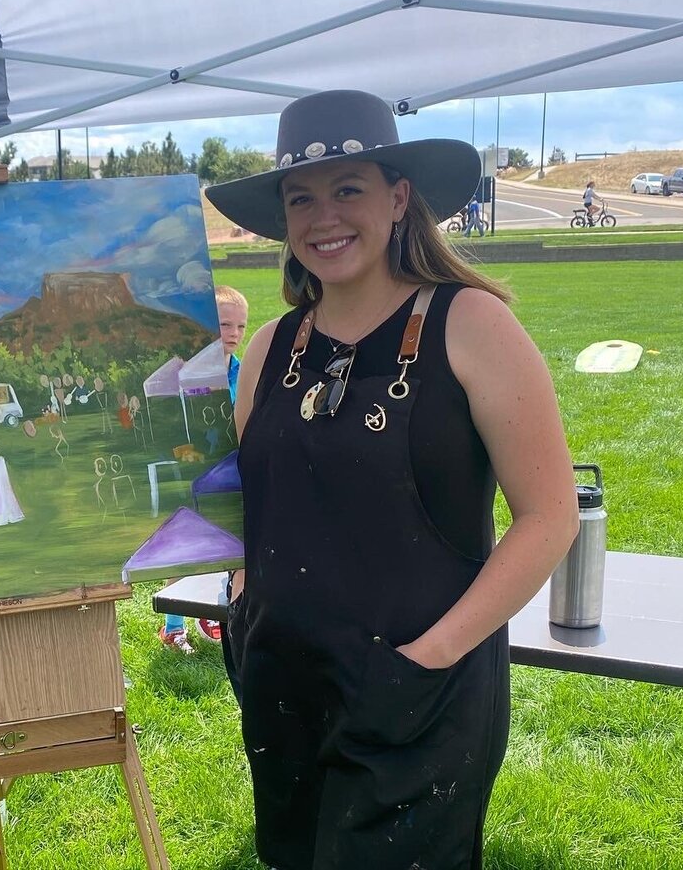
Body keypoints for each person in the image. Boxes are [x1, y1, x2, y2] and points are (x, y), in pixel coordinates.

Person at [205, 89, 578, 869]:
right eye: (301, 198)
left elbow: (550, 514)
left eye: (349, 190)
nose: (323, 217)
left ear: (399, 196)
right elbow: (254, 501)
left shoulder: (471, 325)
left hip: (418, 697)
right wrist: (244, 604)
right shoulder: (270, 348)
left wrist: (435, 654)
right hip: (284, 687)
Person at [157, 284, 250, 654]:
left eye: (240, 327)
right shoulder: (190, 375)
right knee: (189, 548)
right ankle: (173, 626)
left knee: (229, 547)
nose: (233, 334)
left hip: (232, 476)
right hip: (195, 473)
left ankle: (212, 611)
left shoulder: (245, 372)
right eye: (225, 325)